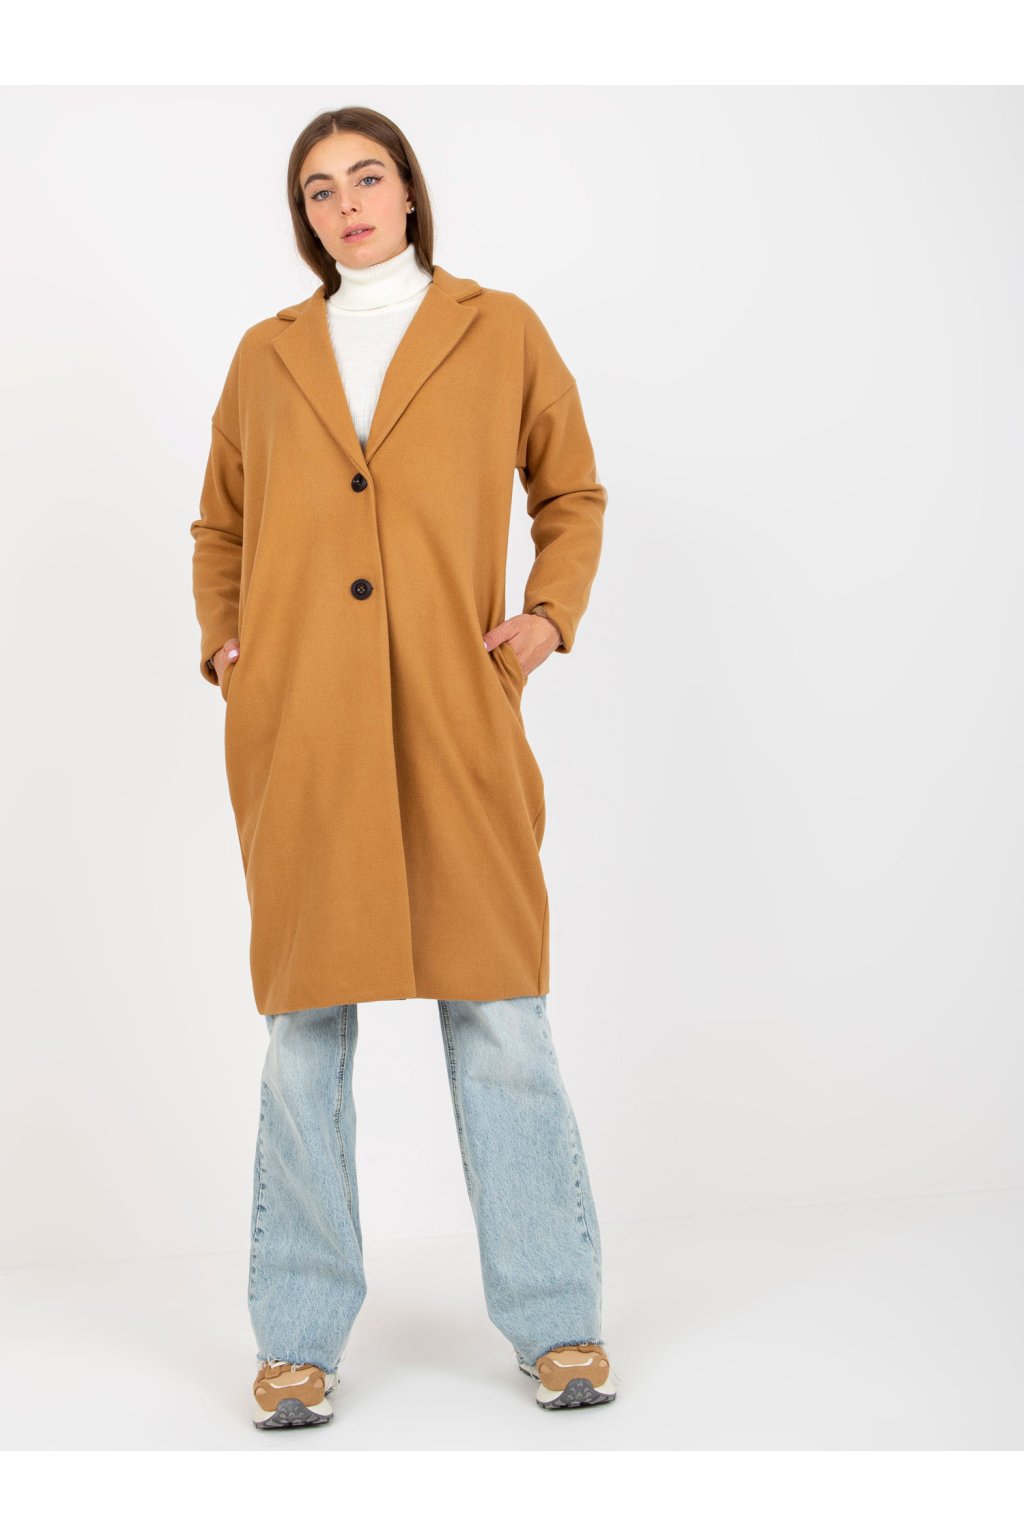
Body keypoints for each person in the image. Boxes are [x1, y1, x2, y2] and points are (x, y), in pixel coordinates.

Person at [190, 105, 616, 1430]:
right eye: (319, 189)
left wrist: (545, 619)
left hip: (454, 716)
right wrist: (230, 648)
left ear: (411, 191)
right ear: (304, 217)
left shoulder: (498, 329)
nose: (347, 203)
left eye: (366, 177)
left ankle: (556, 1321)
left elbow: (570, 493)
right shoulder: (268, 354)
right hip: (306, 732)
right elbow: (220, 524)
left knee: (501, 1019)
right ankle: (299, 1340)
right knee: (303, 1037)